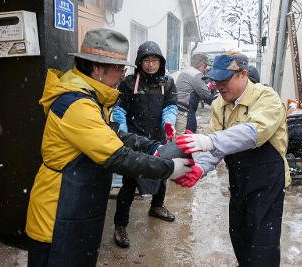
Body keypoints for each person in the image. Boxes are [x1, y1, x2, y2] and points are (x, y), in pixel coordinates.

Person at [25, 28, 191, 267]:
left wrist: (153, 147)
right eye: (119, 69)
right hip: (58, 211)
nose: (123, 75)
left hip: (76, 204)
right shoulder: (77, 104)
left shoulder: (91, 98)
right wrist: (168, 168)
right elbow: (117, 156)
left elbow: (114, 135)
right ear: (97, 69)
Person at [175, 52, 290, 266]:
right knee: (239, 235)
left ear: (243, 74)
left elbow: (253, 133)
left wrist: (210, 141)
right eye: (216, 81)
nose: (219, 86)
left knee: (262, 244)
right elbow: (216, 149)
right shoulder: (220, 104)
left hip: (267, 183)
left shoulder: (266, 98)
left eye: (224, 80)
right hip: (239, 181)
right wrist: (200, 167)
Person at [112, 41, 178, 248]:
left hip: (157, 136)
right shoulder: (129, 83)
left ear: (161, 62)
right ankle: (120, 225)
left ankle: (156, 206)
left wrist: (168, 123)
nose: (150, 65)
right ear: (140, 62)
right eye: (146, 60)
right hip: (134, 138)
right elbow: (120, 110)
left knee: (162, 172)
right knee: (129, 182)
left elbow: (170, 106)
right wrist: (122, 132)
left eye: (154, 60)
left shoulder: (167, 83)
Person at [175, 53, 217, 133]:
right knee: (185, 139)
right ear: (201, 64)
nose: (205, 69)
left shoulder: (185, 71)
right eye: (205, 66)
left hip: (178, 109)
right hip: (185, 113)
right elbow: (207, 97)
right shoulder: (196, 74)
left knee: (178, 139)